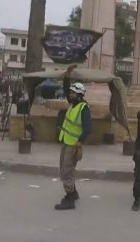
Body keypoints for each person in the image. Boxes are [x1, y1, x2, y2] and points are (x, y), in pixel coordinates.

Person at [55, 74, 91, 210]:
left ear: (79, 95)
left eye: (73, 93)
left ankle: (69, 198)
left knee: (67, 171)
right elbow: (65, 90)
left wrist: (80, 141)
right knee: (63, 168)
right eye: (70, 92)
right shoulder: (73, 104)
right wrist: (66, 77)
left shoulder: (83, 109)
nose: (70, 94)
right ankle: (73, 192)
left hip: (73, 144)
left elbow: (88, 128)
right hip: (66, 141)